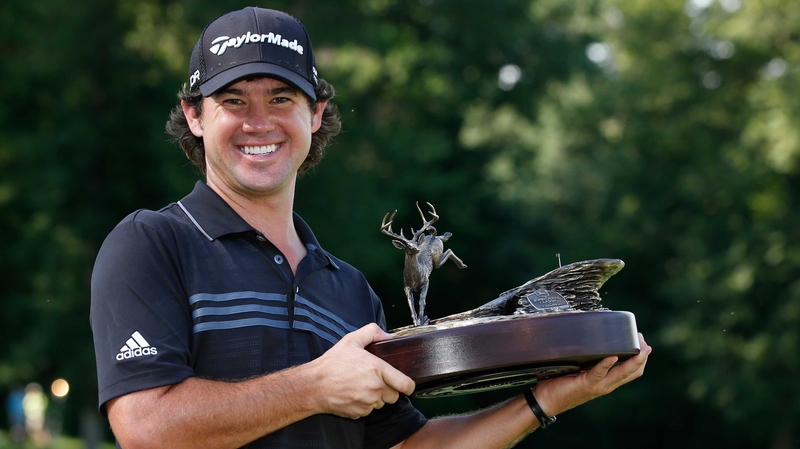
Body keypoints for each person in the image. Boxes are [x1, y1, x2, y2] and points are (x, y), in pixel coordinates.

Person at [90, 6, 651, 449]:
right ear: (195, 115)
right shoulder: (150, 243)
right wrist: (314, 387)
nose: (258, 121)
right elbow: (147, 428)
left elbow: (407, 445)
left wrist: (544, 400)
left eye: (281, 98)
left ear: (315, 113)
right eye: (233, 101)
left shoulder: (349, 290)